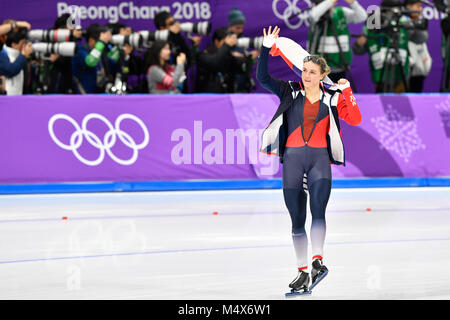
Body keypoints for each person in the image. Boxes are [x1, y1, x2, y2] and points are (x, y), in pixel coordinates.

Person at [257, 26, 362, 293]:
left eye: (312, 72)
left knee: (318, 212)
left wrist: (347, 91)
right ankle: (303, 272)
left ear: (322, 76)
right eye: (304, 70)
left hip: (319, 162)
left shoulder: (332, 96)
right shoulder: (289, 91)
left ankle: (318, 262)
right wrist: (265, 49)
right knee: (296, 220)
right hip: (292, 162)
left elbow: (355, 119)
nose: (306, 75)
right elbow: (262, 78)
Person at [308, 0, 367, 84]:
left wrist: (353, 3)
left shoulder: (340, 12)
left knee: (338, 94)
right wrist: (329, 2)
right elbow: (313, 16)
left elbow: (362, 17)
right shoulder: (319, 15)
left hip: (341, 65)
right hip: (322, 68)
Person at [71, 24, 117, 93]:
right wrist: (101, 42)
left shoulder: (101, 53)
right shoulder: (79, 51)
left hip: (99, 94)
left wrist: (122, 52)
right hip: (83, 95)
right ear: (92, 40)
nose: (103, 45)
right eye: (100, 41)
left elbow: (115, 66)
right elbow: (90, 62)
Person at [196, 27, 238, 93]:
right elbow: (215, 62)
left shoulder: (228, 55)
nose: (229, 44)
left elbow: (240, 69)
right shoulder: (203, 55)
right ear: (216, 41)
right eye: (225, 42)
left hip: (228, 96)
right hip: (209, 97)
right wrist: (226, 46)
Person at [227, 7, 260, 92]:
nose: (240, 30)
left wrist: (252, 57)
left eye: (242, 27)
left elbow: (246, 65)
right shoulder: (225, 38)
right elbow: (227, 56)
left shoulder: (243, 39)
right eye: (238, 28)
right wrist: (246, 56)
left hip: (243, 84)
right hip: (230, 83)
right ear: (230, 26)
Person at [403, 0, 432, 92]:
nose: (421, 9)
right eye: (418, 6)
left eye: (421, 6)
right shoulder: (402, 20)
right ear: (408, 7)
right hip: (407, 68)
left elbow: (423, 37)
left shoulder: (419, 22)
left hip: (419, 68)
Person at [0, 27, 33, 95]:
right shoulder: (3, 54)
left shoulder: (19, 56)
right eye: (22, 43)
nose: (24, 46)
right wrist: (23, 55)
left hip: (18, 97)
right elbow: (11, 70)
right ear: (14, 45)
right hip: (6, 99)